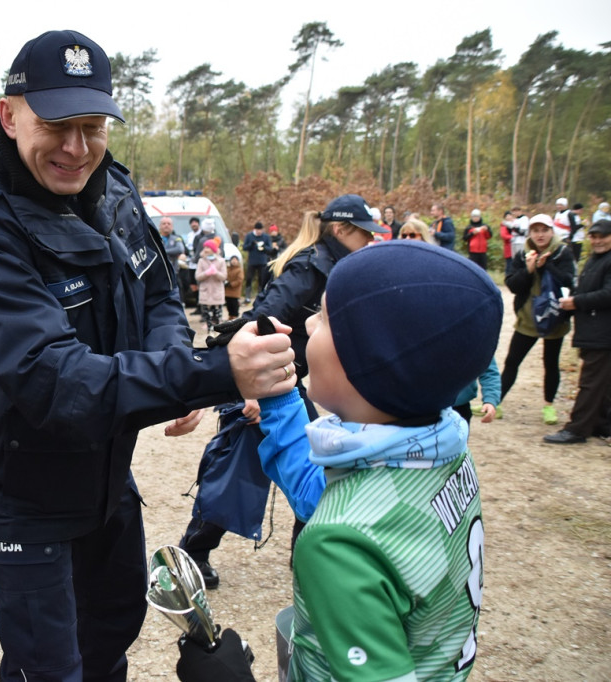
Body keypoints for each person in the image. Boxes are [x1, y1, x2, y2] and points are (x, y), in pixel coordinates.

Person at [0, 29, 296, 681]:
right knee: (50, 667)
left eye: (93, 126)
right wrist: (210, 374)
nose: (77, 147)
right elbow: (57, 383)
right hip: (27, 496)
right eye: (58, 125)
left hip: (107, 479)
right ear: (10, 117)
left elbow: (157, 293)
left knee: (111, 637)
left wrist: (174, 375)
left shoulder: (114, 190)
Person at [178, 240, 501, 682]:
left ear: (368, 362)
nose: (308, 321)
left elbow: (337, 521)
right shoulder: (443, 445)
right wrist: (278, 396)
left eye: (326, 318)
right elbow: (323, 495)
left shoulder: (339, 544)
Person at [178, 194, 387, 587]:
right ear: (342, 230)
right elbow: (262, 317)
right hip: (264, 383)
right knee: (233, 474)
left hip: (285, 382)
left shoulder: (335, 265)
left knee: (315, 466)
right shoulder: (309, 267)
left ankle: (307, 556)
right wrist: (249, 392)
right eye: (365, 234)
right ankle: (191, 554)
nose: (370, 241)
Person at [501, 214, 576, 425]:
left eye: (544, 230)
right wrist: (530, 269)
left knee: (550, 363)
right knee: (512, 361)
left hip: (554, 318)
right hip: (528, 318)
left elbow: (569, 281)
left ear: (552, 231)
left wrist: (546, 266)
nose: (540, 235)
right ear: (530, 232)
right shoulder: (524, 253)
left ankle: (549, 406)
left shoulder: (562, 252)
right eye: (536, 230)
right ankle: (495, 402)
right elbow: (513, 285)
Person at [544, 219, 611, 444]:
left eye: (603, 236)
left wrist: (576, 301)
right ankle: (601, 424)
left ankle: (577, 429)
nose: (598, 241)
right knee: (603, 382)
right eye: (594, 236)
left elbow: (608, 294)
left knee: (590, 382)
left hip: (602, 334)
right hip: (592, 331)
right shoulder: (595, 260)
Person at [196, 239, 227, 333]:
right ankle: (209, 330)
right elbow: (198, 276)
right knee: (207, 315)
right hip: (205, 292)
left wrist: (216, 273)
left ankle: (218, 332)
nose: (205, 249)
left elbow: (224, 277)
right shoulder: (201, 261)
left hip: (217, 292)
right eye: (204, 247)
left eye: (208, 247)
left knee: (217, 315)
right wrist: (206, 273)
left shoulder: (221, 261)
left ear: (213, 249)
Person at [158, 216, 189, 305]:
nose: (166, 226)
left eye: (169, 224)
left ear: (172, 226)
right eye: (164, 223)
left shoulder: (177, 238)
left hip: (173, 271)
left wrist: (163, 251)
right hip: (159, 272)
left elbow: (179, 249)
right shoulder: (155, 237)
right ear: (160, 226)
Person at [241, 221, 271, 302]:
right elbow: (244, 247)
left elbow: (270, 249)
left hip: (262, 261)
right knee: (249, 278)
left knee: (262, 279)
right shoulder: (249, 236)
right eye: (257, 230)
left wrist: (264, 247)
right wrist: (251, 245)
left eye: (260, 230)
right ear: (255, 229)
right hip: (252, 261)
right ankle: (247, 296)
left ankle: (260, 295)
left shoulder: (266, 237)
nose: (259, 232)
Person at [224, 255, 243, 321]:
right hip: (227, 291)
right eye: (233, 260)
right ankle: (230, 316)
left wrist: (231, 284)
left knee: (234, 304)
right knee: (229, 304)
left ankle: (235, 316)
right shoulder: (227, 269)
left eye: (235, 260)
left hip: (235, 291)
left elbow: (240, 280)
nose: (234, 261)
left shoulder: (239, 270)